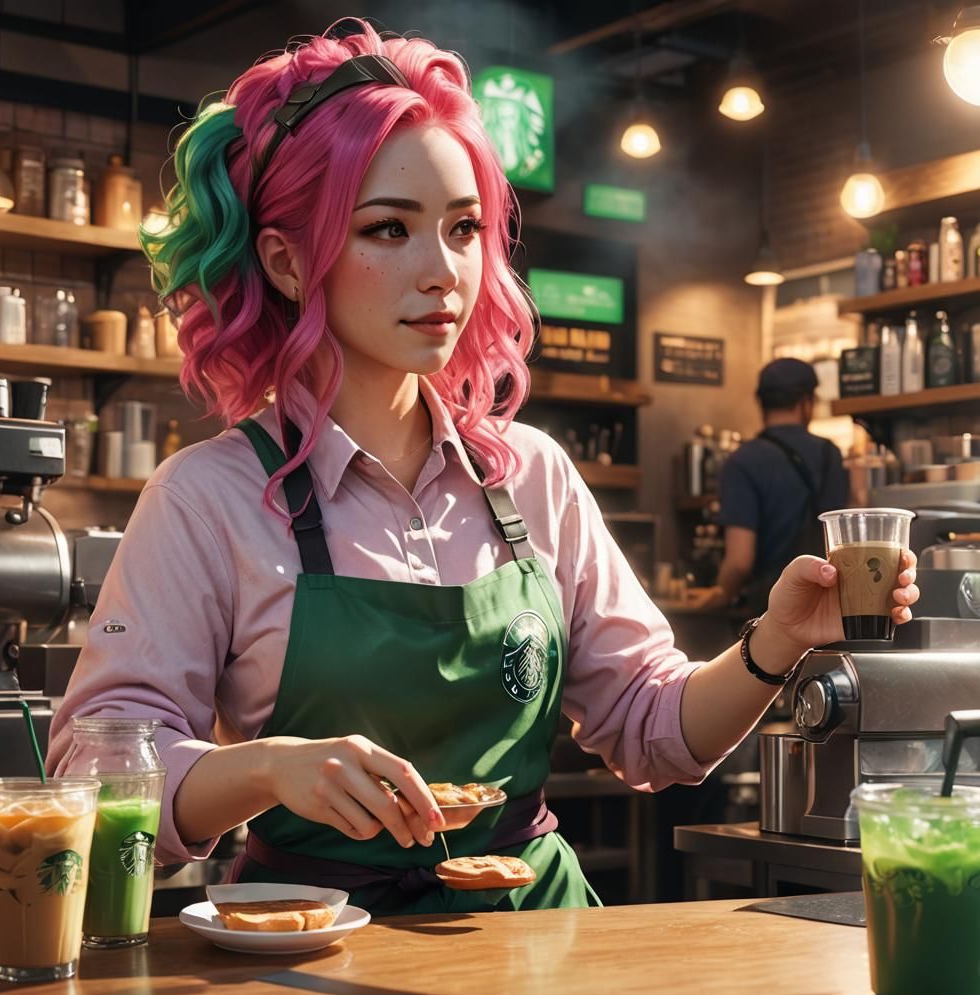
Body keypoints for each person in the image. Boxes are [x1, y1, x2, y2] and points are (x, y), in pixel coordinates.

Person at [45, 21, 917, 917]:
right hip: (305, 946)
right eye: (389, 229)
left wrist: (777, 642)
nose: (443, 273)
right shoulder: (207, 499)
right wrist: (266, 768)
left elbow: (654, 732)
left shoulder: (532, 475)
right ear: (288, 262)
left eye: (464, 230)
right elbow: (99, 774)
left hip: (538, 939)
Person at [685, 358, 849, 614]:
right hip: (827, 606)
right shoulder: (831, 455)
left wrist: (721, 594)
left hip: (771, 610)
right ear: (806, 403)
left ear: (761, 403)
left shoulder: (742, 461)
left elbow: (740, 562)